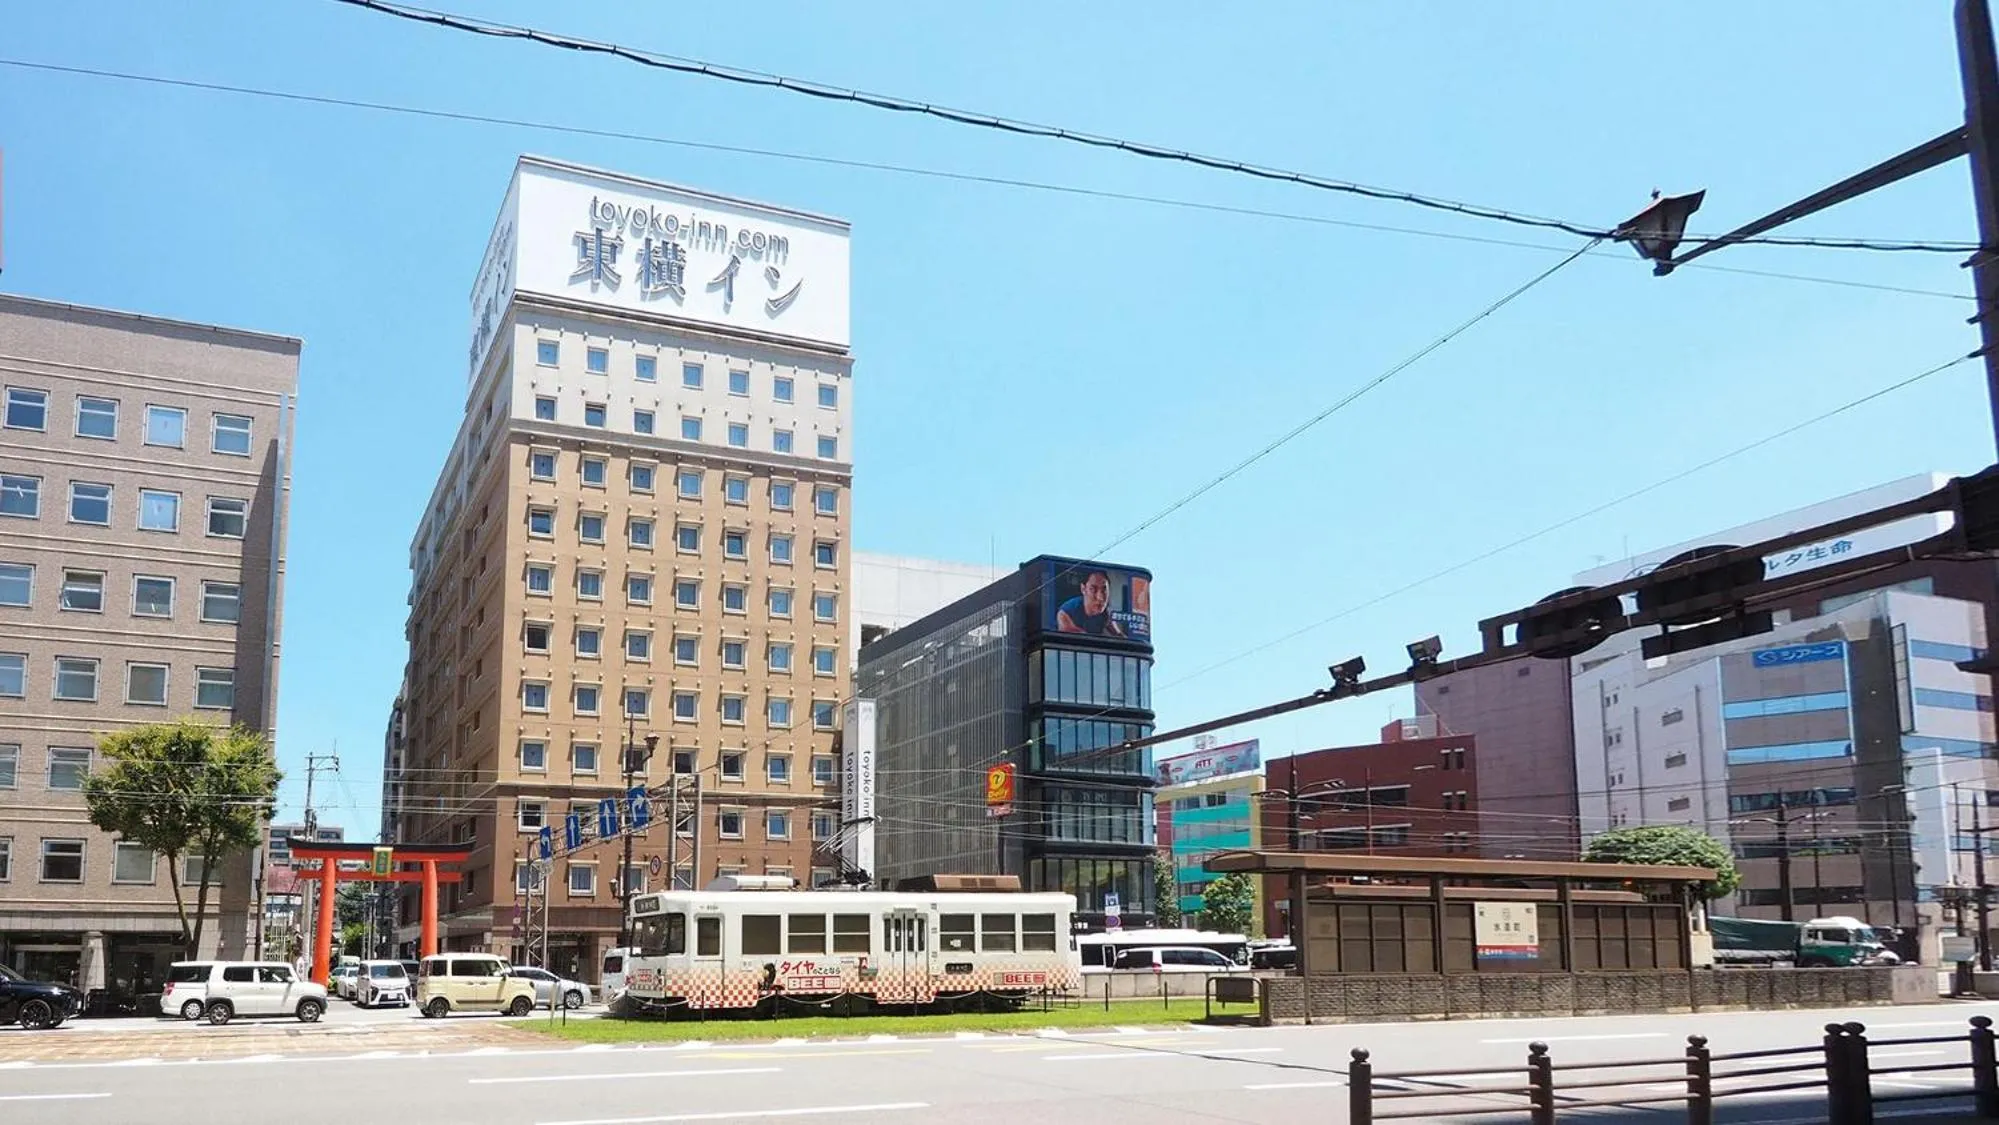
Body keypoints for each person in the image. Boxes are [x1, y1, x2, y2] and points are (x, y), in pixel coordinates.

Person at [1056, 571, 1125, 637]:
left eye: (1104, 590)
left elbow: (1119, 636)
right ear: (1083, 589)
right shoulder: (1065, 613)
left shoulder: (1106, 613)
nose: (1100, 598)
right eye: (1093, 589)